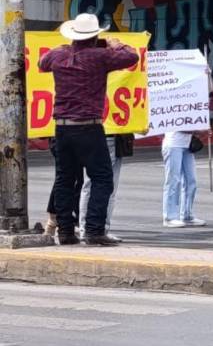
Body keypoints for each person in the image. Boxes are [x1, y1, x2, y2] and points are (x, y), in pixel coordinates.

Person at [38, 14, 138, 246]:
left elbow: (42, 63)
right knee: (102, 178)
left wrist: (63, 47)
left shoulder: (59, 54)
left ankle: (65, 231)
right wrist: (115, 43)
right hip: (88, 126)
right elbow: (131, 56)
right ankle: (93, 230)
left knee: (65, 179)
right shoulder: (100, 56)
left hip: (62, 127)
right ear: (95, 36)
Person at [79, 133, 133, 241]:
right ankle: (92, 229)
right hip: (108, 135)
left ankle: (93, 229)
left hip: (111, 136)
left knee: (97, 185)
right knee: (98, 185)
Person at [162, 130, 206, 227]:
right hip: (173, 144)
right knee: (173, 181)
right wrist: (200, 131)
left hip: (187, 144)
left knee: (191, 181)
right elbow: (180, 126)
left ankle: (187, 215)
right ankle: (169, 217)